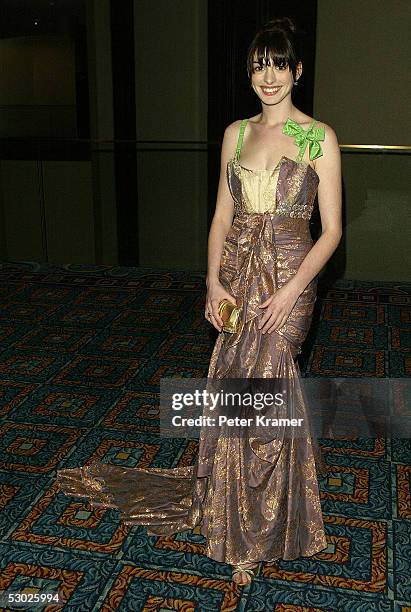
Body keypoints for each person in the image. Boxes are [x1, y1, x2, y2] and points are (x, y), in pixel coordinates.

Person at [56, 16, 342, 588]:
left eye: (278, 65)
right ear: (249, 72)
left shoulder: (319, 138)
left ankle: (254, 533)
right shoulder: (235, 134)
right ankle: (237, 510)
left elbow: (331, 231)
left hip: (290, 277)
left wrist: (292, 291)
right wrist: (211, 282)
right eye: (258, 66)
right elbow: (220, 217)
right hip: (236, 276)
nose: (268, 77)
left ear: (298, 71)